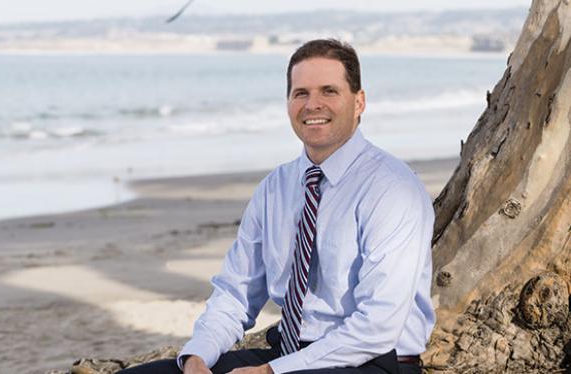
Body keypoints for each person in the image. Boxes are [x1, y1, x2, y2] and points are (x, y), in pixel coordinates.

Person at [118, 39, 435, 374]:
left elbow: (377, 327)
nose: (313, 105)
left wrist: (271, 372)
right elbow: (236, 293)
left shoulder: (393, 188)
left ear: (359, 102)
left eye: (329, 91)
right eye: (301, 93)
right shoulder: (275, 188)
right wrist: (198, 356)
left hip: (373, 361)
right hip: (288, 354)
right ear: (288, 103)